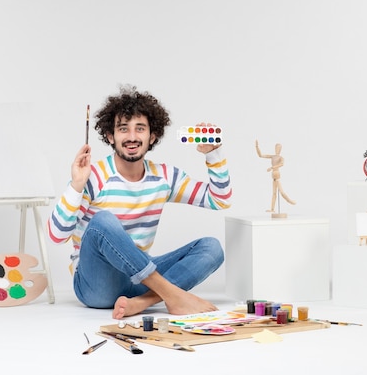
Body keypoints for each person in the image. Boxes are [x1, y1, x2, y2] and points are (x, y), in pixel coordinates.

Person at [48, 85, 232, 319]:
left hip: (139, 280)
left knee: (211, 248)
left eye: (140, 129)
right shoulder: (93, 176)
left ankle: (144, 302)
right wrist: (76, 185)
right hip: (97, 287)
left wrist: (213, 154)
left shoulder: (164, 177)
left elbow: (219, 200)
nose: (132, 137)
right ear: (110, 136)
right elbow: (56, 236)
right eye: (123, 129)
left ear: (152, 136)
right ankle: (171, 294)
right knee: (103, 220)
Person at [255, 140, 296, 213]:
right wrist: (257, 147)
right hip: (273, 176)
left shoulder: (281, 158)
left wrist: (272, 167)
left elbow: (282, 164)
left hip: (277, 174)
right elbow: (261, 155)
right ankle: (272, 209)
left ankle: (290, 201)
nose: (277, 149)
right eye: (276, 148)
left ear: (280, 149)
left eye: (278, 148)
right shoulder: (272, 156)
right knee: (274, 193)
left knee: (281, 192)